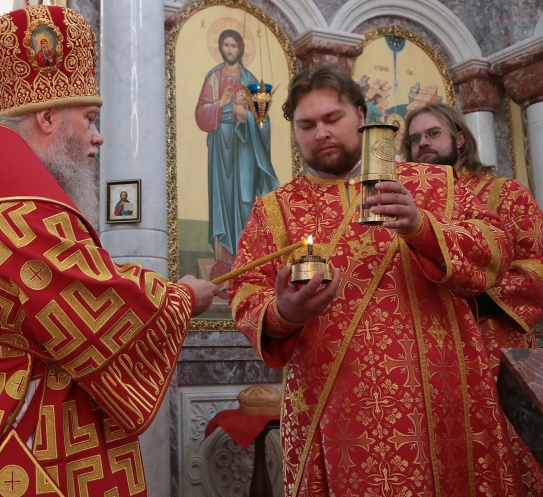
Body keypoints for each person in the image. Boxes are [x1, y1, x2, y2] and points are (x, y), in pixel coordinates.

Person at [0, 3, 218, 497]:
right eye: (91, 118)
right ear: (50, 117)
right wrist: (182, 297)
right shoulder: (24, 215)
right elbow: (98, 307)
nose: (99, 137)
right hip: (19, 454)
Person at [228, 65, 543, 495]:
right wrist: (283, 312)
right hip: (337, 408)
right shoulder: (273, 211)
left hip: (442, 397)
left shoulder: (436, 183)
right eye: (307, 124)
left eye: (332, 118)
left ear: (361, 115)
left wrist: (422, 227)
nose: (320, 132)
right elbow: (245, 294)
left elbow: (495, 248)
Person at [403, 102, 543, 378]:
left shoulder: (506, 193)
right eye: (414, 139)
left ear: (460, 138)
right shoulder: (406, 205)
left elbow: (537, 269)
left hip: (492, 344)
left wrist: (463, 300)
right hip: (425, 353)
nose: (423, 143)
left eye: (433, 133)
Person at [195, 29, 279, 265]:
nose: (230, 50)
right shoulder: (213, 77)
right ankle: (224, 262)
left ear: (240, 49)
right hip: (221, 150)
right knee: (222, 199)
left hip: (245, 151)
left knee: (244, 200)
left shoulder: (250, 80)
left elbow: (264, 120)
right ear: (221, 48)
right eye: (226, 45)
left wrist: (247, 115)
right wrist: (220, 105)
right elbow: (201, 114)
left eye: (234, 46)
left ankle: (245, 258)